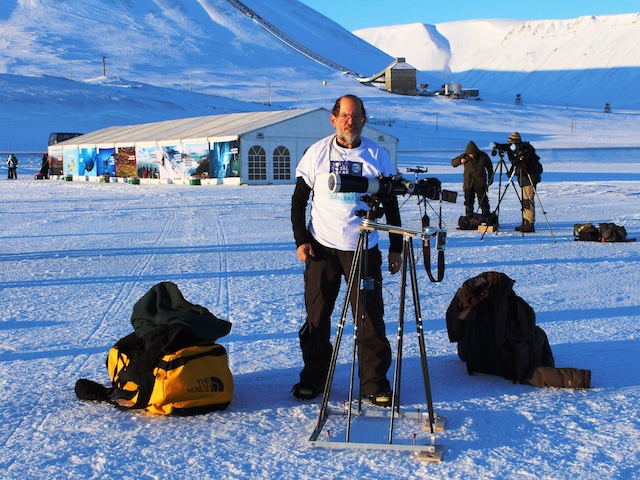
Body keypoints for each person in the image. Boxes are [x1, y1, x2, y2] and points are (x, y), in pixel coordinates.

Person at [290, 94, 403, 407]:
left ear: (364, 119)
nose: (349, 121)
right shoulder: (317, 153)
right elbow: (299, 200)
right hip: (322, 248)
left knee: (369, 318)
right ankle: (314, 378)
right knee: (317, 316)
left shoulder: (376, 154)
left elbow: (391, 200)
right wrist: (302, 239)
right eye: (344, 116)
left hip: (364, 249)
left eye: (355, 116)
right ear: (334, 119)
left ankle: (374, 384)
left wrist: (395, 247)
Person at [506, 132, 542, 232]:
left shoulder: (526, 151)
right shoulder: (521, 151)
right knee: (525, 200)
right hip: (524, 179)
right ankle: (526, 221)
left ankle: (529, 223)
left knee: (528, 201)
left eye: (511, 143)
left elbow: (523, 165)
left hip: (529, 179)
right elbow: (517, 164)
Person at [451, 141, 494, 217]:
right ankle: (469, 216)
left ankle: (486, 215)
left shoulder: (483, 156)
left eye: (473, 154)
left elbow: (490, 168)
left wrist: (490, 178)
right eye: (470, 154)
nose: (472, 155)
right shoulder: (464, 156)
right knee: (468, 201)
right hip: (468, 183)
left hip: (480, 183)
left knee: (483, 200)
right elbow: (453, 163)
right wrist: (460, 161)